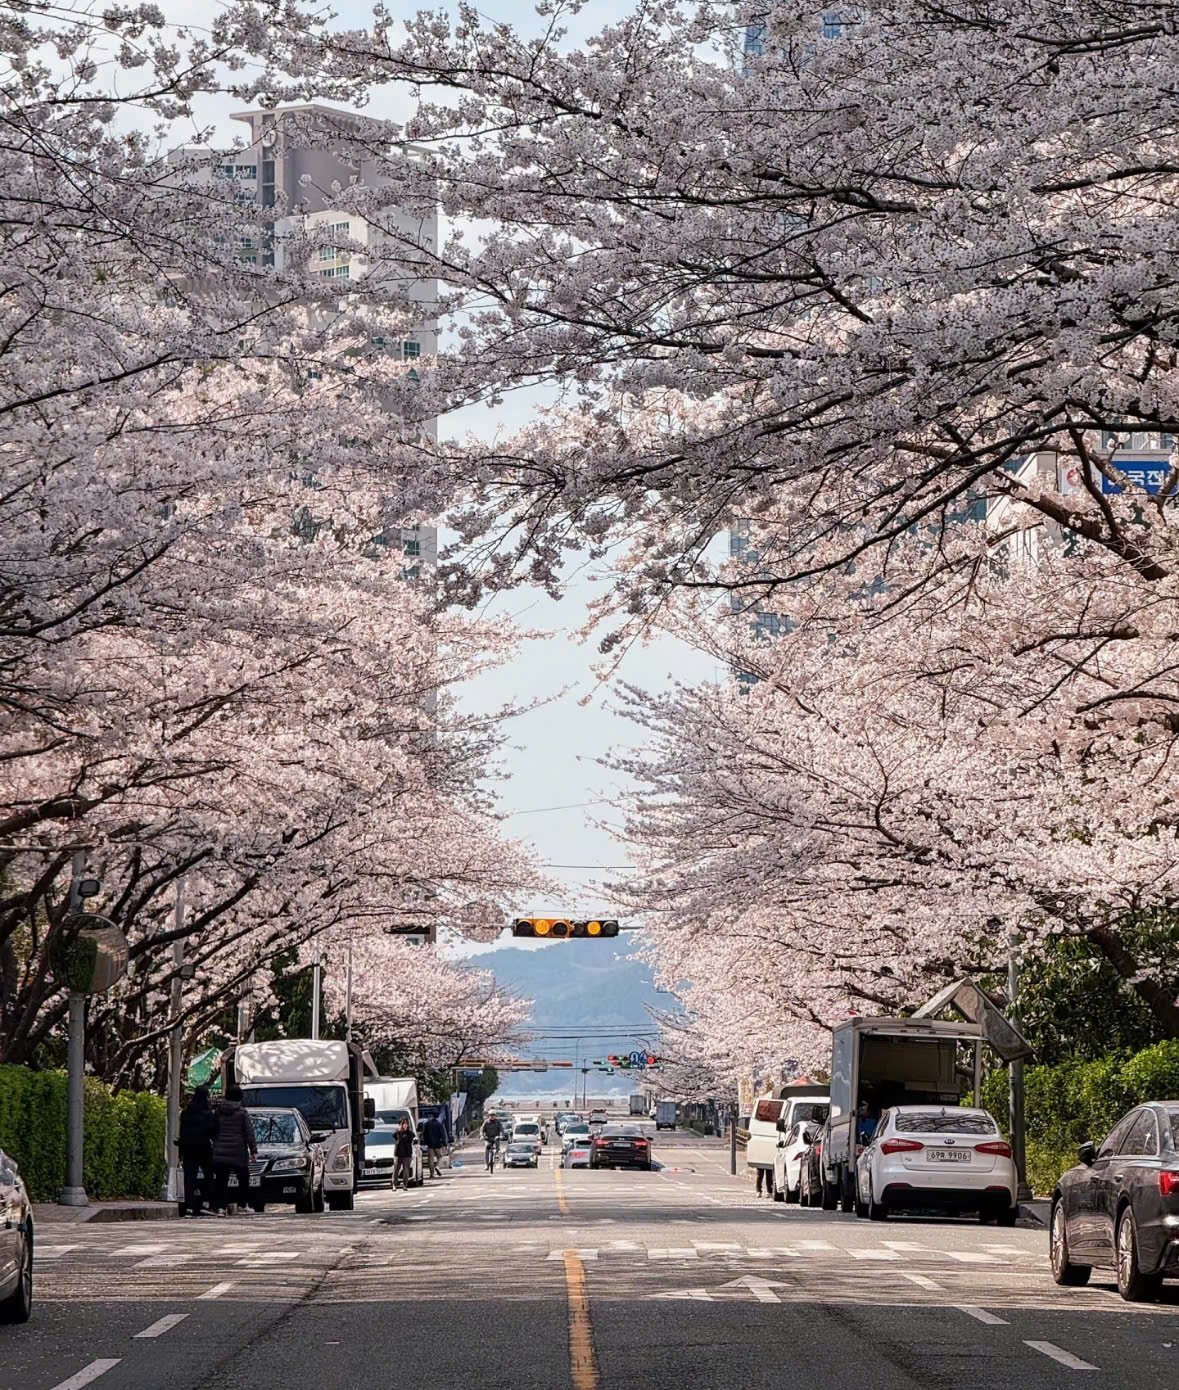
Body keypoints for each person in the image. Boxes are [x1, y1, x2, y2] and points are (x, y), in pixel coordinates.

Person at [212, 1086, 257, 1216]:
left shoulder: (218, 1112)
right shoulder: (242, 1112)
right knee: (243, 1179)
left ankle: (221, 1207)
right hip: (238, 1152)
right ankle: (243, 1205)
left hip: (220, 1151)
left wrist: (216, 1143)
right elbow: (249, 1133)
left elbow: (213, 1130)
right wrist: (253, 1150)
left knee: (221, 1181)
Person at [177, 1086, 218, 1217]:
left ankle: (189, 1206)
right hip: (204, 1147)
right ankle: (206, 1203)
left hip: (189, 1148)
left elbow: (182, 1131)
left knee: (189, 1178)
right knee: (209, 1176)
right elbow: (214, 1131)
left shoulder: (186, 1112)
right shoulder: (208, 1114)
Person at [392, 1116, 416, 1190]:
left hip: (407, 1154)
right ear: (400, 1124)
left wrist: (406, 1132)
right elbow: (394, 1137)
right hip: (398, 1153)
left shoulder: (410, 1133)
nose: (405, 1125)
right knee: (396, 1170)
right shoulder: (397, 1132)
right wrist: (399, 1131)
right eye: (403, 1124)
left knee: (406, 1170)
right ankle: (394, 1185)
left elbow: (410, 1140)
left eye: (406, 1124)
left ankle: (405, 1185)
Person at [421, 1112, 447, 1179]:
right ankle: (437, 1166)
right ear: (438, 1116)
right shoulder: (439, 1124)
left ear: (432, 1116)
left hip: (430, 1144)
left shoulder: (427, 1124)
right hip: (438, 1144)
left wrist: (425, 1142)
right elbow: (443, 1135)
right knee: (440, 1157)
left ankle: (432, 1174)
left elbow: (424, 1134)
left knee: (430, 1159)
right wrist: (444, 1144)